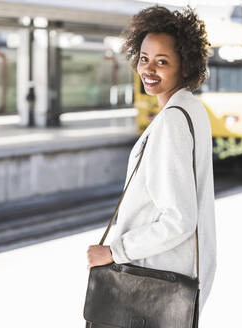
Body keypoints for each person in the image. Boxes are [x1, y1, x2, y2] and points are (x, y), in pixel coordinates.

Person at [86, 5, 217, 316]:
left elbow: (178, 221)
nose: (148, 69)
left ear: (185, 66)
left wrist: (113, 252)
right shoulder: (191, 108)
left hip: (154, 282)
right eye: (144, 59)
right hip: (176, 276)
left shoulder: (172, 120)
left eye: (162, 62)